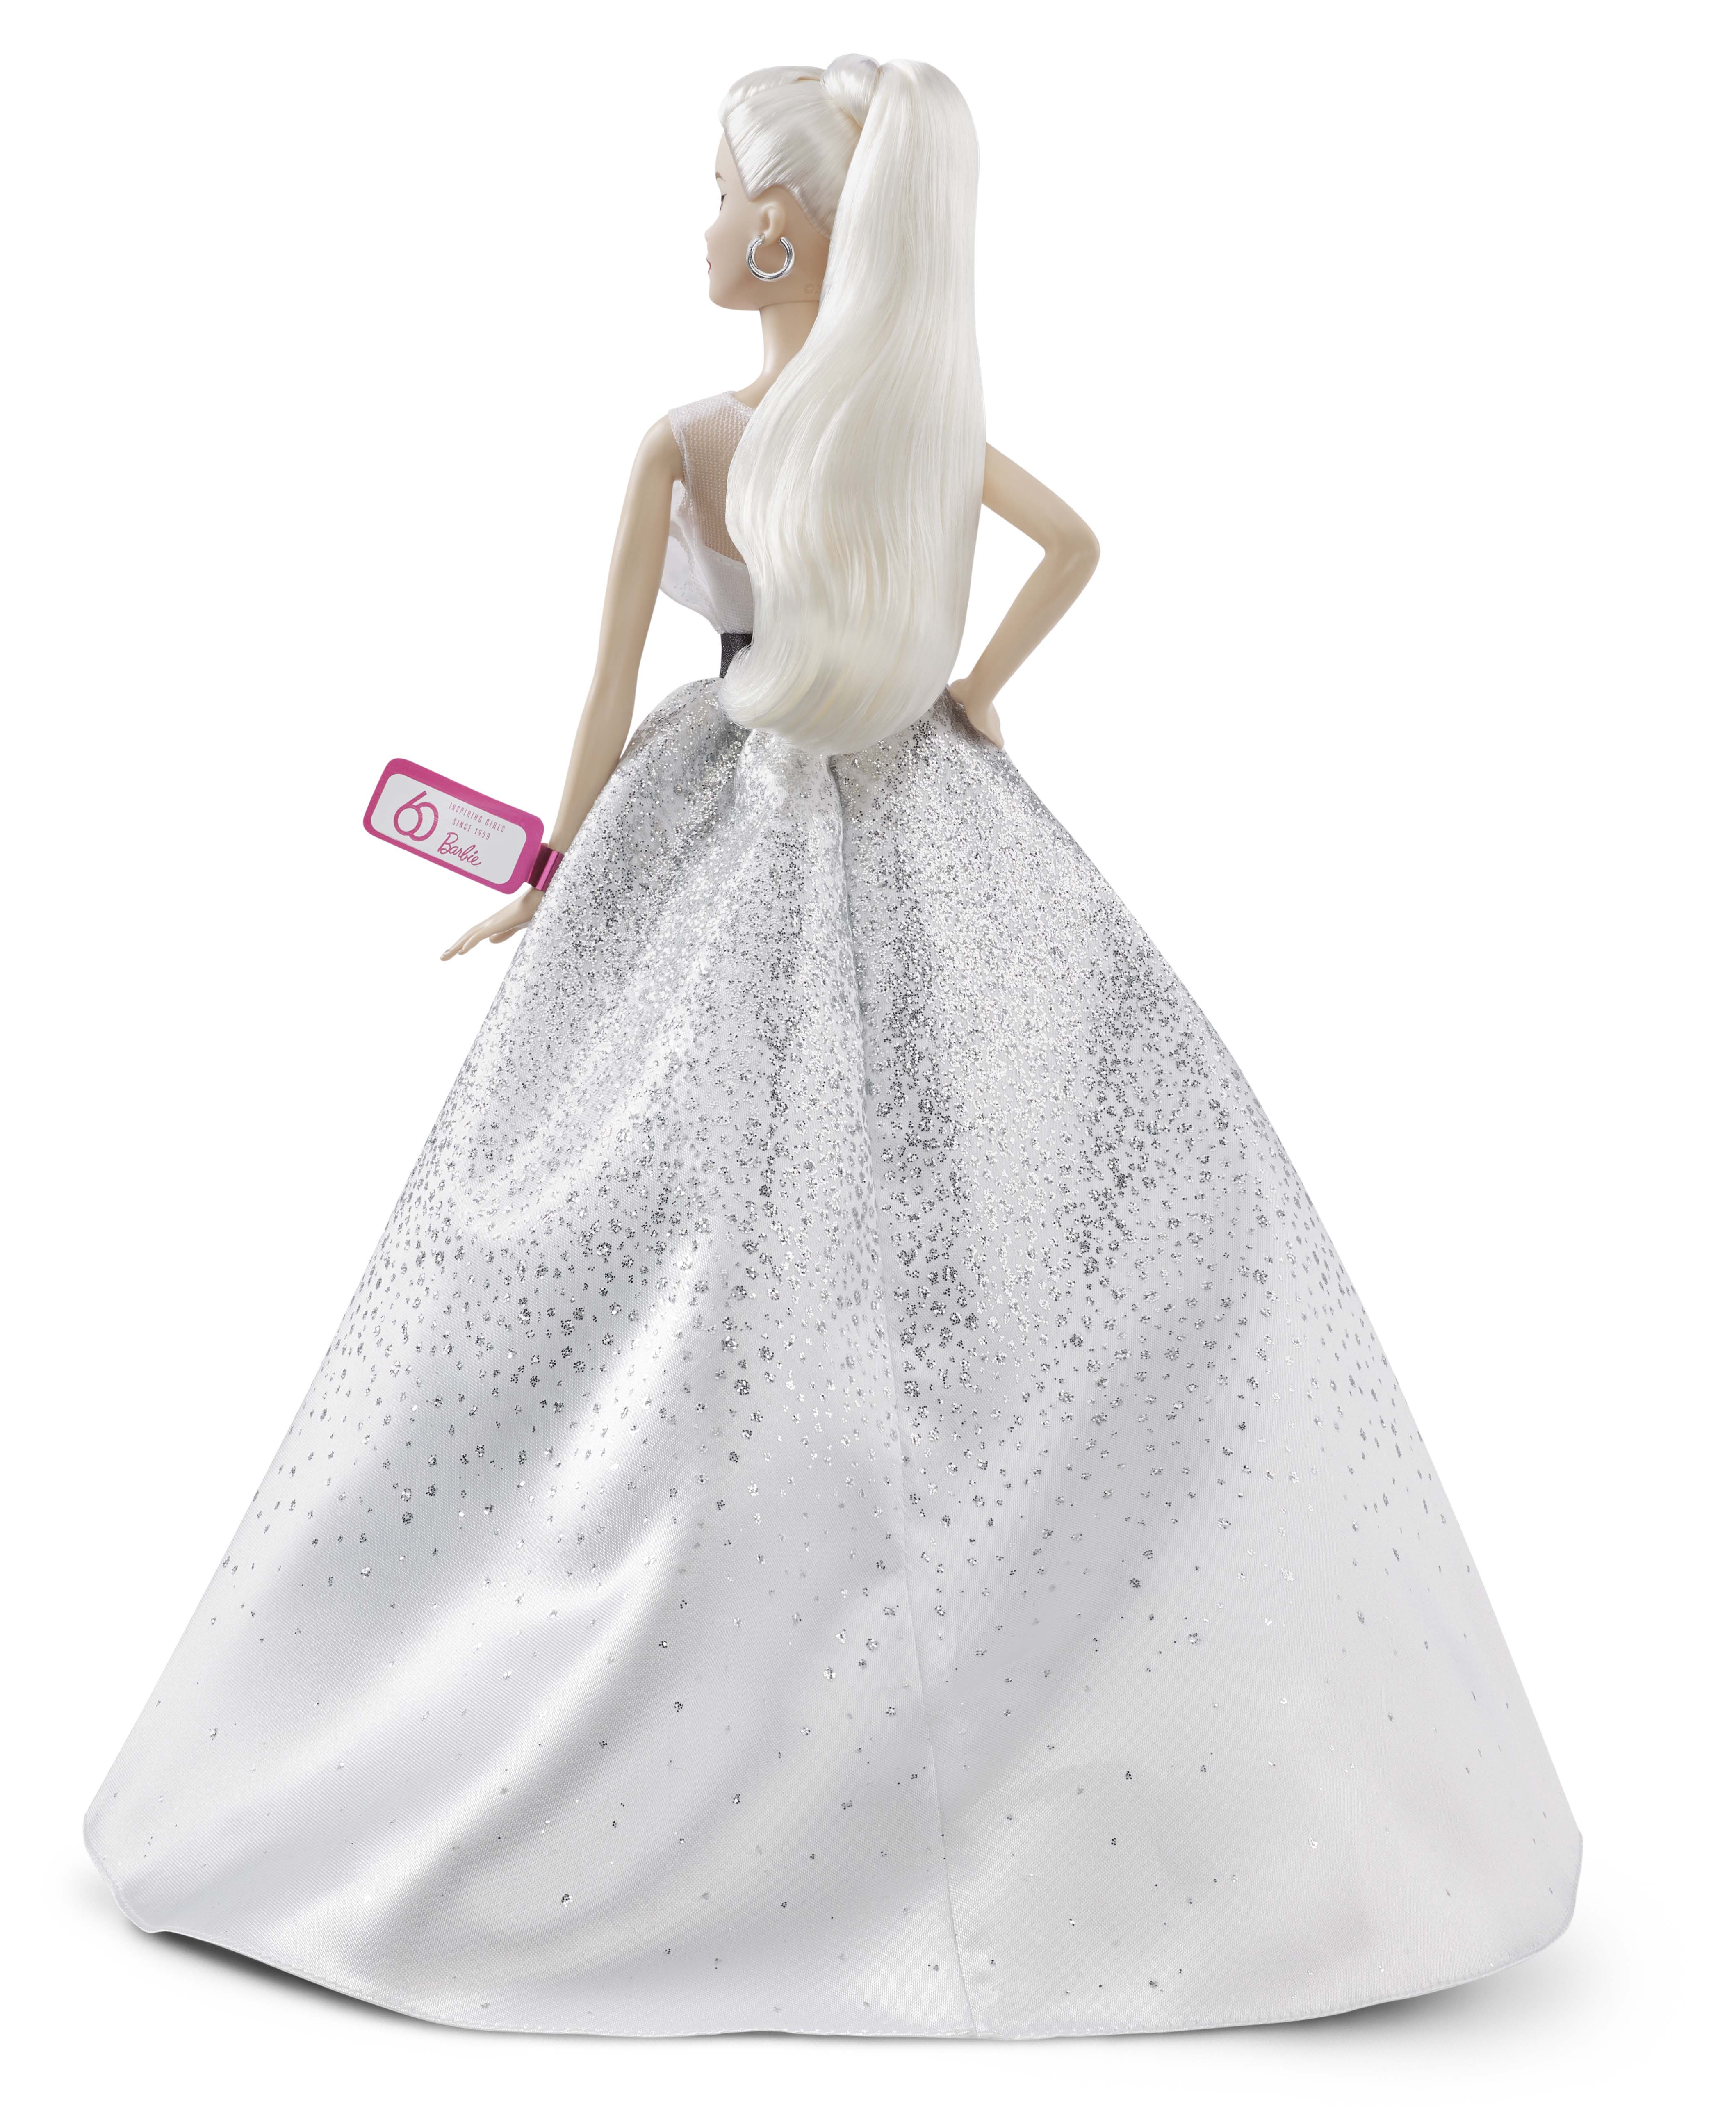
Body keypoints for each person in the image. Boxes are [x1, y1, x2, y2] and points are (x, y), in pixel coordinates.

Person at [86, 55, 1579, 2038]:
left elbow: (609, 696)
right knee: (875, 1231)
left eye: (720, 191)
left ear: (786, 230)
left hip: (734, 802)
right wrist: (969, 689)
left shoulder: (695, 439)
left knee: (761, 1239)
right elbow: (1077, 548)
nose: (705, 224)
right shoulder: (900, 425)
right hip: (906, 804)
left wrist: (556, 865)